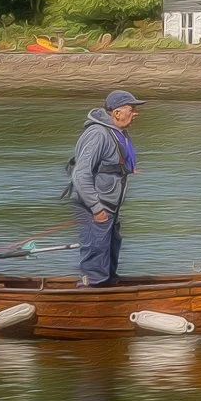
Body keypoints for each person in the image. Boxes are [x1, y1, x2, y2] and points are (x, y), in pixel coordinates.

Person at [68, 90, 141, 286]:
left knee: (110, 250)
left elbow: (111, 163)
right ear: (117, 113)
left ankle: (108, 288)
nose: (136, 113)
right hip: (96, 205)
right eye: (131, 109)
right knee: (95, 252)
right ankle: (92, 292)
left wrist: (124, 170)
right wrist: (96, 207)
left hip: (109, 205)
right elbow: (80, 173)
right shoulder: (98, 134)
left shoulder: (116, 132)